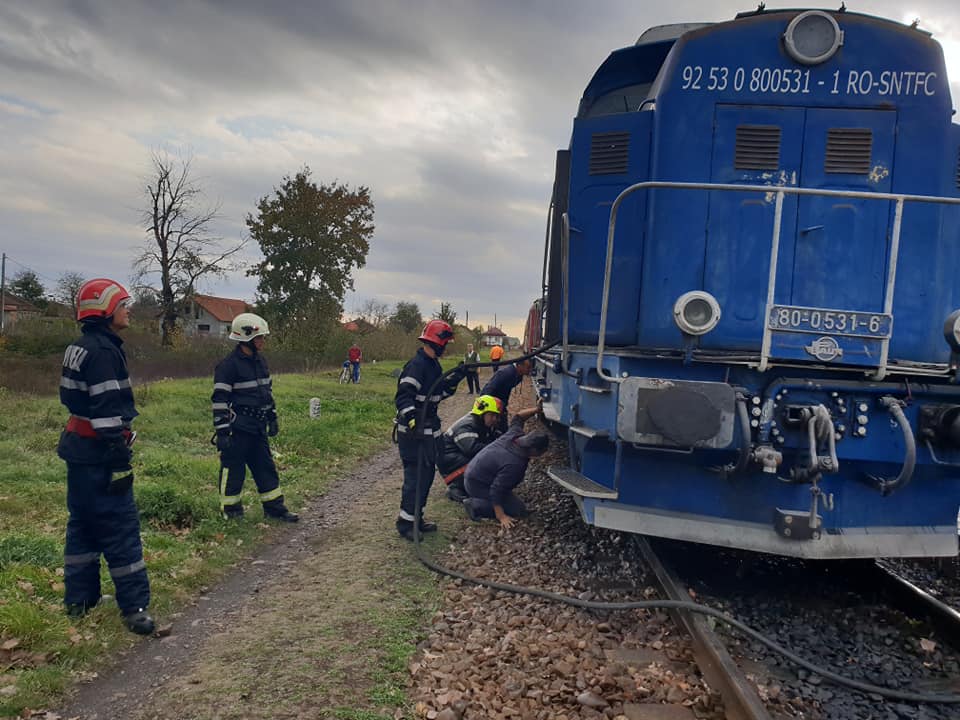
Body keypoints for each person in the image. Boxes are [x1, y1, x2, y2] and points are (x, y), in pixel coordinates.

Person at [56, 278, 155, 635]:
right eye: (122, 304)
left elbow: (75, 402)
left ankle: (79, 601)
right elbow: (107, 407)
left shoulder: (79, 347)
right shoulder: (103, 352)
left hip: (78, 451)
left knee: (81, 525)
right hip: (100, 453)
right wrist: (117, 453)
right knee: (120, 527)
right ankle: (135, 609)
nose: (127, 310)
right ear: (105, 310)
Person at [212, 313, 299, 523]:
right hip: (238, 429)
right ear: (245, 337)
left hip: (258, 426)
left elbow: (266, 392)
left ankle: (275, 510)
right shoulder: (228, 366)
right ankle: (232, 514)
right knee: (234, 472)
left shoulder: (261, 362)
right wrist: (222, 431)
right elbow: (219, 400)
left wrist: (272, 417)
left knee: (265, 468)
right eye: (259, 338)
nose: (262, 341)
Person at [394, 320, 464, 540]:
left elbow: (437, 394)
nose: (446, 347)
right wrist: (413, 419)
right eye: (445, 342)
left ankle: (416, 518)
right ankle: (405, 524)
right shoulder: (417, 365)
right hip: (414, 435)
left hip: (428, 433)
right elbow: (403, 396)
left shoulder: (433, 365)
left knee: (425, 477)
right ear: (438, 341)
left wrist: (455, 379)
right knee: (415, 478)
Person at [463, 409, 549, 528]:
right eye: (542, 452)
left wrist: (537, 409)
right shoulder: (515, 464)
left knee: (515, 504)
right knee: (516, 509)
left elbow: (518, 416)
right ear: (534, 450)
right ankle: (475, 504)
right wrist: (501, 516)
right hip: (476, 484)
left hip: (475, 472)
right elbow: (496, 489)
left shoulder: (514, 433)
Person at [480, 358, 534, 432]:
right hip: (491, 403)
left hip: (500, 402)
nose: (529, 370)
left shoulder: (519, 375)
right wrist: (485, 407)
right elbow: (490, 388)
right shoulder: (506, 373)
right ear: (519, 365)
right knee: (495, 424)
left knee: (500, 424)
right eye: (528, 367)